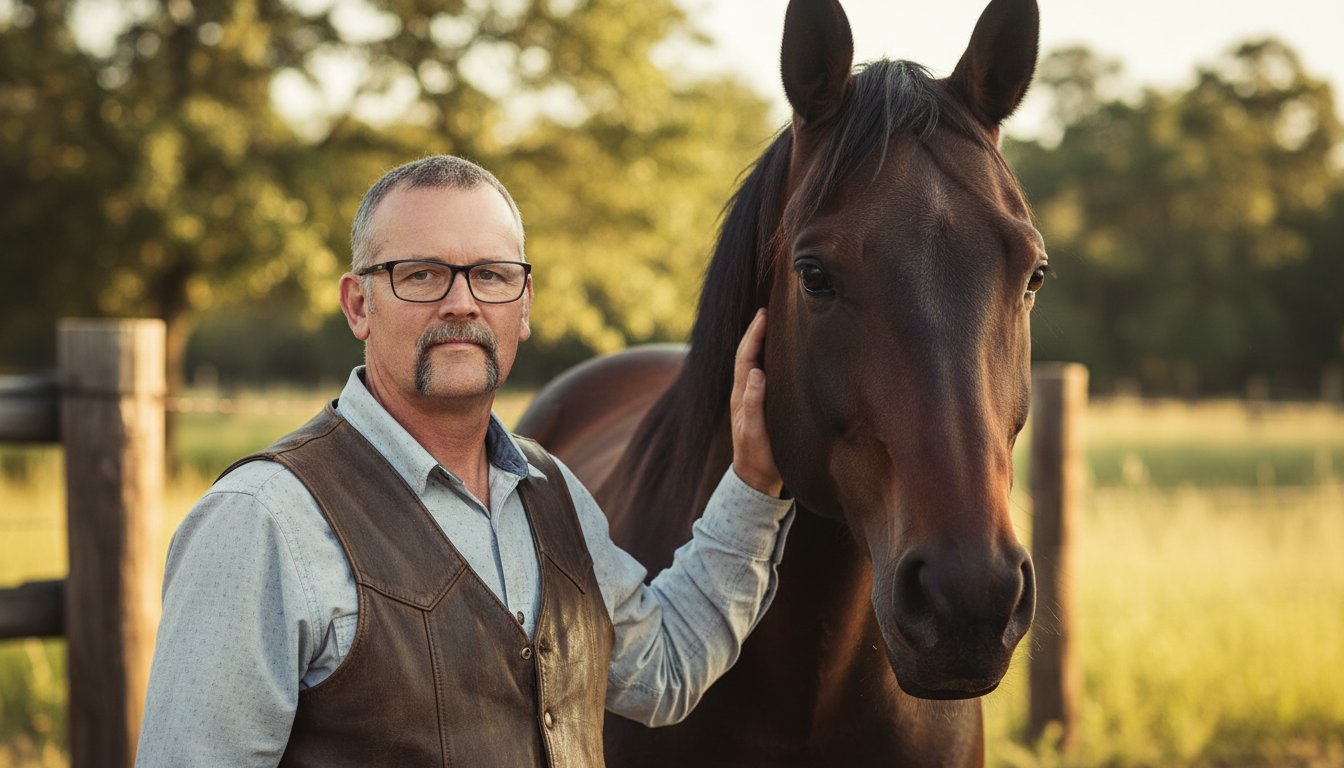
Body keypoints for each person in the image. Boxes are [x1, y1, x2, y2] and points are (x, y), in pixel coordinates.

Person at [136, 155, 793, 767]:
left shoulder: (553, 492)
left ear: (523, 305)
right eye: (421, 274)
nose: (461, 301)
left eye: (491, 274)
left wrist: (755, 484)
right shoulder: (260, 520)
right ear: (359, 305)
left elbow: (664, 671)